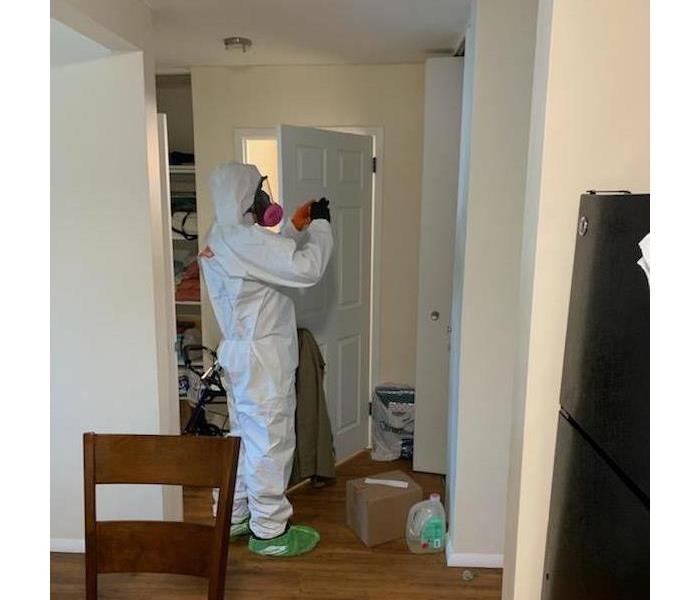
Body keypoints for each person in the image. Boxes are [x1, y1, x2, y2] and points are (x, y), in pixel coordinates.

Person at [198, 161, 333, 557]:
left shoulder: (222, 235)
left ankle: (236, 515)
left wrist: (293, 226)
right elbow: (304, 269)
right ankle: (270, 531)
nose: (262, 197)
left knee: (242, 438)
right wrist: (321, 226)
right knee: (270, 443)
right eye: (257, 190)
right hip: (263, 359)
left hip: (241, 354)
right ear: (243, 196)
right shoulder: (244, 240)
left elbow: (268, 262)